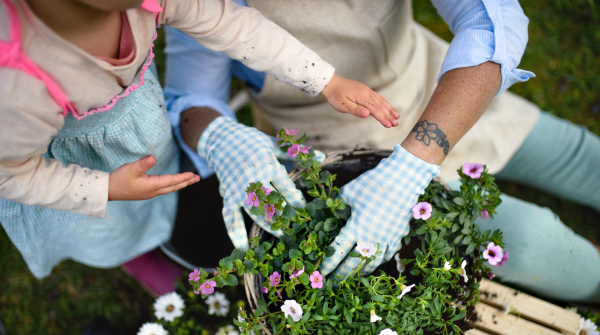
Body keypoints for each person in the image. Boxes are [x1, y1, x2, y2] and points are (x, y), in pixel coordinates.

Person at [164, 0, 600, 302]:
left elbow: (493, 20)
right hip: (336, 152)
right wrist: (219, 134)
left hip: (441, 88)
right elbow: (190, 96)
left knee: (584, 158)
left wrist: (413, 164)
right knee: (534, 239)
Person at [0, 0, 399, 282]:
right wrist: (104, 188)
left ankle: (154, 232)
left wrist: (325, 80)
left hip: (141, 137)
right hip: (75, 172)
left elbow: (234, 25)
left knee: (165, 195)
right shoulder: (19, 89)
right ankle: (133, 257)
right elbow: (10, 174)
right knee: (108, 229)